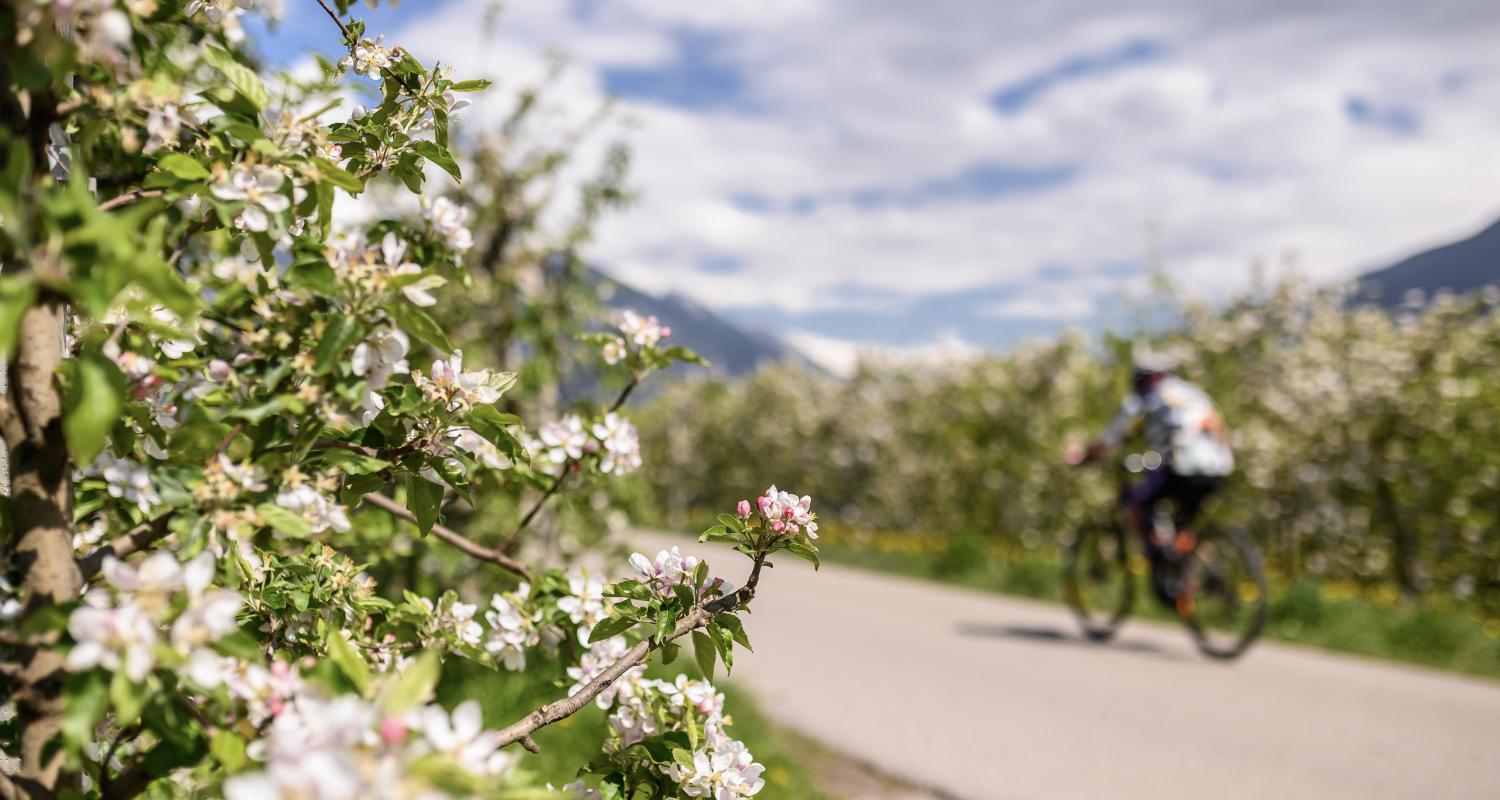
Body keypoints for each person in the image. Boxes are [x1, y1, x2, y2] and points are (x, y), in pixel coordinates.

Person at [1070, 349, 1234, 561]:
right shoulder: (1192, 392)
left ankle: (1162, 558)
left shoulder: (1145, 397)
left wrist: (1085, 457)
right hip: (1219, 467)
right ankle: (1190, 571)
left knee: (1141, 503)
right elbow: (1217, 425)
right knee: (1182, 527)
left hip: (1182, 465)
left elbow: (1109, 439)